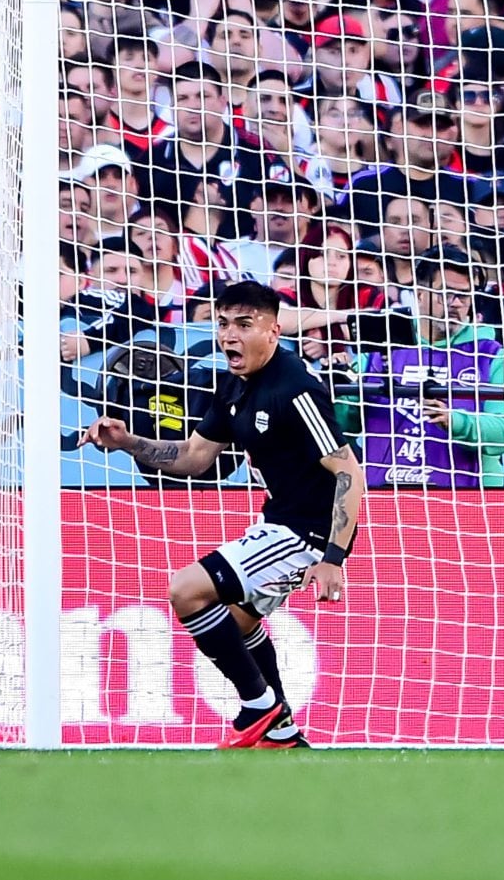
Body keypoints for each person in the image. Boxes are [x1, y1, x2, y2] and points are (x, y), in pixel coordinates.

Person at [85, 280, 364, 748]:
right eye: (223, 323)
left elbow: (348, 473)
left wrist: (333, 557)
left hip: (306, 532)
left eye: (244, 324)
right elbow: (196, 456)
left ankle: (260, 705)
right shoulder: (234, 384)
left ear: (273, 330)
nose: (229, 336)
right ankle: (283, 731)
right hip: (279, 521)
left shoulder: (294, 389)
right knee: (235, 624)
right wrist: (129, 442)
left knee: (186, 590)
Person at [335, 247, 504, 487]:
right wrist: (341, 393)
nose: (455, 304)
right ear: (420, 294)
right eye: (445, 293)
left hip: (473, 500)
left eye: (464, 295)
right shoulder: (380, 346)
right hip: (385, 495)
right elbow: (346, 426)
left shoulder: (490, 353)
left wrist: (454, 421)